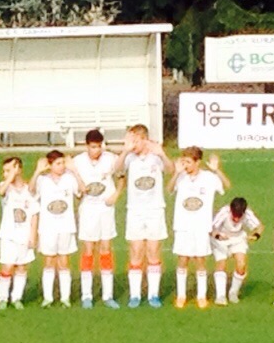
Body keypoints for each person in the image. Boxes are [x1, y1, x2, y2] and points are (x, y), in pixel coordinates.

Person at [113, 124, 174, 308]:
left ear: (143, 139)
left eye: (134, 140)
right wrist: (124, 151)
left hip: (155, 210)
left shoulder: (156, 156)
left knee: (153, 251)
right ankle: (135, 295)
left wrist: (162, 153)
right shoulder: (130, 157)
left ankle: (153, 295)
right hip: (135, 210)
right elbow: (117, 170)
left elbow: (171, 170)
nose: (131, 143)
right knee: (136, 251)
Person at [167, 146, 229, 308]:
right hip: (182, 225)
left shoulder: (209, 178)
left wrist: (217, 171)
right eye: (183, 162)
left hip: (201, 226)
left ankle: (201, 296)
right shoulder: (181, 178)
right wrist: (176, 173)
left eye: (188, 162)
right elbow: (169, 190)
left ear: (197, 162)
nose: (185, 165)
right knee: (183, 259)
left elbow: (226, 186)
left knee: (200, 259)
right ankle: (181, 295)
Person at [73, 129, 124, 309]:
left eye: (99, 146)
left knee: (105, 248)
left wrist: (116, 194)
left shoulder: (110, 159)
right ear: (87, 146)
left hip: (106, 209)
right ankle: (87, 295)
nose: (96, 150)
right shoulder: (77, 162)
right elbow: (76, 192)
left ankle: (108, 295)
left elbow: (122, 176)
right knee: (88, 250)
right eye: (93, 147)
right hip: (88, 209)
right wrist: (81, 187)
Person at [29, 150, 85, 308]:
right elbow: (31, 191)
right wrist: (37, 171)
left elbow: (82, 191)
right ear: (50, 165)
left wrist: (74, 170)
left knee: (64, 261)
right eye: (58, 164)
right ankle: (48, 297)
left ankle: (65, 298)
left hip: (66, 226)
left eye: (62, 163)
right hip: (47, 227)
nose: (61, 167)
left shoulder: (69, 178)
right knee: (49, 261)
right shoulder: (42, 180)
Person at [0, 157, 39, 309]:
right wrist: (10, 178)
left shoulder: (29, 190)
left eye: (9, 170)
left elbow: (34, 214)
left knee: (22, 267)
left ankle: (16, 298)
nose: (5, 174)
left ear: (19, 169)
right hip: (8, 235)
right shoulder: (5, 187)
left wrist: (33, 235)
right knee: (7, 266)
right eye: (5, 171)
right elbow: (0, 191)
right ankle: (3, 297)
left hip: (24, 235)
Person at [211, 197, 264, 305]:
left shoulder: (247, 213)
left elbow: (260, 227)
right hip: (221, 240)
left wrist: (255, 235)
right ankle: (220, 296)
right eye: (234, 215)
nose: (236, 219)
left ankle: (233, 292)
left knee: (241, 264)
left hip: (238, 239)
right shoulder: (224, 212)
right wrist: (218, 236)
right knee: (221, 264)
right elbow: (211, 228)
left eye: (239, 216)